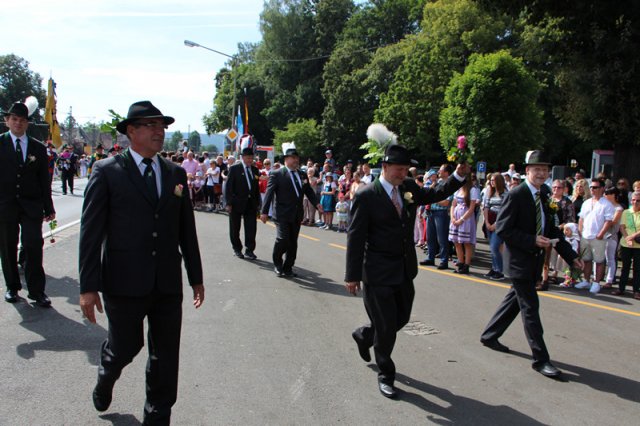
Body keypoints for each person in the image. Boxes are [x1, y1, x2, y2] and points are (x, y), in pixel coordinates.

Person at [79, 101, 204, 423]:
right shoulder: (107, 171)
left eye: (162, 126)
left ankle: (157, 416)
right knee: (125, 346)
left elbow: (186, 230)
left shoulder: (175, 173)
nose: (159, 131)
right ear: (131, 131)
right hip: (123, 281)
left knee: (166, 357)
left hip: (166, 282)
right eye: (151, 125)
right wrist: (88, 287)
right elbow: (91, 234)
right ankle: (107, 371)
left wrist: (195, 276)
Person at [345, 144, 467, 398]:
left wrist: (458, 176)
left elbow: (434, 193)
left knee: (400, 318)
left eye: (405, 170)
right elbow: (355, 237)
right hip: (377, 271)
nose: (403, 174)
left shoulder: (408, 187)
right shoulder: (367, 195)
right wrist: (352, 275)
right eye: (399, 170)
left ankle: (365, 335)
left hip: (403, 268)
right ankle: (386, 374)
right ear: (385, 167)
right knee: (386, 326)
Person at [480, 150, 582, 378]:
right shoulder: (516, 195)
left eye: (545, 170)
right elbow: (503, 229)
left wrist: (571, 256)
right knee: (530, 309)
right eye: (537, 169)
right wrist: (532, 240)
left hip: (534, 261)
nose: (541, 173)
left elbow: (552, 229)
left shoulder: (544, 194)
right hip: (519, 262)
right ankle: (540, 360)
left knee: (514, 302)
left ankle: (489, 335)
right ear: (527, 171)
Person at [1, 102, 56, 307]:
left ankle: (37, 291)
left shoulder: (38, 148)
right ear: (7, 121)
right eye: (14, 119)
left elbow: (44, 180)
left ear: (27, 123)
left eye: (22, 120)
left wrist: (48, 207)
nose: (18, 123)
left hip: (31, 205)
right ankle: (12, 287)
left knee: (33, 246)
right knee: (7, 246)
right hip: (5, 205)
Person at [260, 147, 323, 277]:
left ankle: (288, 267)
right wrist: (264, 211)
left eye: (297, 158)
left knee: (293, 242)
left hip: (296, 214)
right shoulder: (277, 174)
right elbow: (269, 193)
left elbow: (308, 191)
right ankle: (278, 263)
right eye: (293, 158)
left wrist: (317, 203)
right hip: (282, 214)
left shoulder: (302, 174)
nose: (296, 160)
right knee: (283, 239)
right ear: (286, 159)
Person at [574, 178, 615, 294]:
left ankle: (596, 283)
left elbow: (608, 221)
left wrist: (601, 234)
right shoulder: (586, 202)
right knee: (586, 260)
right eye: (591, 187)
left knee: (599, 261)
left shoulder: (607, 204)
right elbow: (581, 218)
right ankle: (586, 281)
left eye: (595, 187)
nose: (592, 189)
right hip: (585, 236)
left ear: (602, 189)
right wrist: (580, 231)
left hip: (598, 237)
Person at [225, 147, 260, 260]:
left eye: (251, 158)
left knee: (251, 228)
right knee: (235, 227)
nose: (250, 160)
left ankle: (249, 250)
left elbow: (256, 189)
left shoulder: (255, 170)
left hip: (251, 203)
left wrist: (258, 203)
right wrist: (228, 203)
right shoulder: (235, 169)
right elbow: (229, 187)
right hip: (236, 203)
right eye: (248, 158)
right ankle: (237, 248)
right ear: (243, 157)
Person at [420, 164, 454, 269]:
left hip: (441, 213)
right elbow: (428, 194)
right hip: (431, 212)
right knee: (430, 237)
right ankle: (430, 257)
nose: (438, 171)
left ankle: (444, 261)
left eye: (441, 170)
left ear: (447, 173)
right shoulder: (437, 183)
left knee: (442, 238)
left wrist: (433, 199)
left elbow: (446, 202)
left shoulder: (449, 185)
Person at [448, 178, 480, 274]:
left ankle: (466, 265)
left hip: (466, 218)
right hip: (456, 215)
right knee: (456, 242)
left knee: (466, 243)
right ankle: (460, 263)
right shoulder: (458, 189)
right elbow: (453, 204)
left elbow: (471, 208)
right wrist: (452, 217)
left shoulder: (472, 189)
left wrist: (461, 220)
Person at [615, 192, 640, 299]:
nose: (635, 202)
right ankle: (621, 288)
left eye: (638, 200)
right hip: (626, 244)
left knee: (637, 269)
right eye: (633, 200)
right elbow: (622, 227)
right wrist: (627, 238)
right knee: (625, 267)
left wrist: (632, 237)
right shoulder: (626, 212)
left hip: (638, 245)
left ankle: (636, 290)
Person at [483, 172, 507, 280]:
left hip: (500, 223)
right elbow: (486, 207)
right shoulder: (490, 192)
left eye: (493, 180)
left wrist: (495, 224)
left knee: (495, 246)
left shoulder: (505, 194)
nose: (491, 182)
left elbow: (505, 211)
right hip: (490, 219)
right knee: (492, 248)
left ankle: (499, 271)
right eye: (491, 180)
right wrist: (487, 222)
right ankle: (494, 268)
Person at [602, 186, 624, 288]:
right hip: (601, 235)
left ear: (613, 195)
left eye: (607, 193)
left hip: (611, 235)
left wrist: (601, 221)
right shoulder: (603, 206)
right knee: (598, 258)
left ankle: (609, 280)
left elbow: (613, 222)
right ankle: (597, 277)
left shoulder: (618, 208)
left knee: (610, 258)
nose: (605, 195)